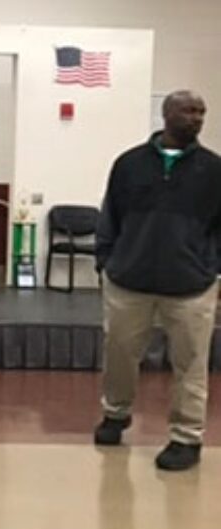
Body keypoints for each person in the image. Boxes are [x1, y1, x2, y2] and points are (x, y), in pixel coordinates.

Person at [93, 90, 221, 471]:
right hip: (128, 281)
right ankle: (115, 415)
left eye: (201, 112)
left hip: (191, 286)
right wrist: (106, 261)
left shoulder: (214, 170)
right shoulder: (129, 164)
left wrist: (214, 270)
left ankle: (186, 437)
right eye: (187, 110)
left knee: (191, 365)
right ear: (166, 114)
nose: (196, 118)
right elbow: (109, 215)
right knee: (119, 355)